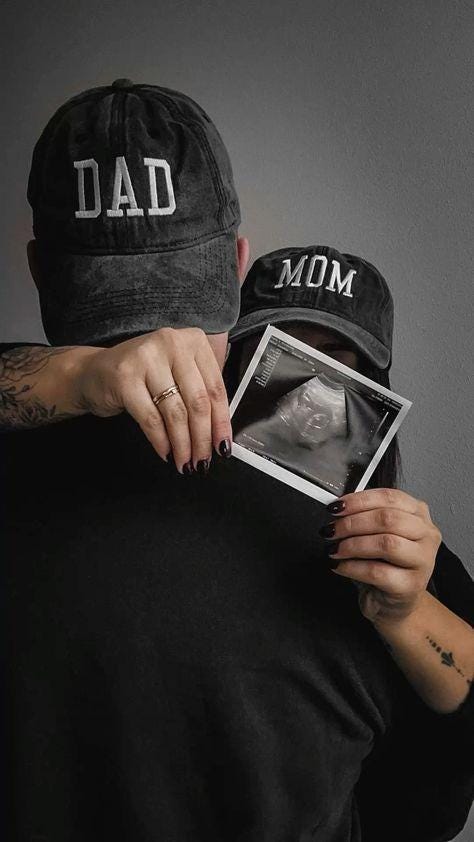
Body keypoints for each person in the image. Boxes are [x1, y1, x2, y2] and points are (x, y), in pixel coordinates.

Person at [1, 87, 473, 841]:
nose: (147, 347)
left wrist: (411, 613)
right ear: (238, 264)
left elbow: (438, 773)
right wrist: (70, 378)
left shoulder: (337, 475)